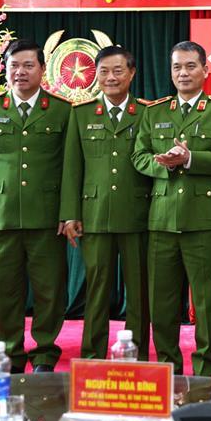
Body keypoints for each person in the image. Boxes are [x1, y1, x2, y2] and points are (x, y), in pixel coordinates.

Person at [0, 39, 72, 373]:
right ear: (6, 70)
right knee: (4, 290)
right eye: (14, 66)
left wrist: (68, 213)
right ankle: (9, 353)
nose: (20, 72)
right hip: (0, 216)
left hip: (46, 217)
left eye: (28, 65)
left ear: (42, 69)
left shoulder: (61, 110)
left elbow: (70, 166)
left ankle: (44, 354)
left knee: (49, 290)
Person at [132, 41, 211, 376]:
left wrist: (191, 158)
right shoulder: (155, 112)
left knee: (206, 305)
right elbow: (138, 156)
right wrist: (162, 163)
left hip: (202, 222)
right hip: (161, 220)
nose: (183, 73)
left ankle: (207, 373)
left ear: (206, 71)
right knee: (162, 305)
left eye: (191, 66)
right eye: (177, 66)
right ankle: (168, 369)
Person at [59, 45, 151, 360]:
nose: (110, 78)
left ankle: (137, 353)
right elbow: (72, 168)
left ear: (132, 73)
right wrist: (70, 214)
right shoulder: (81, 114)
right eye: (103, 71)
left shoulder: (147, 112)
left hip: (138, 213)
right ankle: (91, 354)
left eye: (117, 71)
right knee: (96, 289)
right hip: (94, 214)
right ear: (95, 75)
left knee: (138, 291)